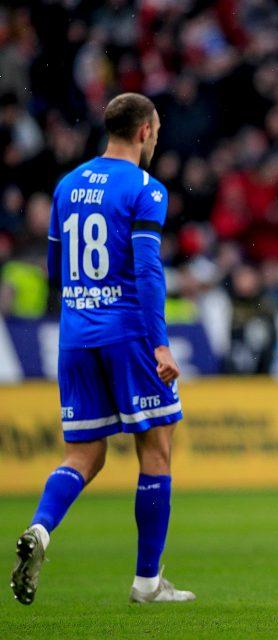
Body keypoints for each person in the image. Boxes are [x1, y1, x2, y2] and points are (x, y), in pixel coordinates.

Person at [10, 93, 193, 605]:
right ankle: (147, 583)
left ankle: (41, 529)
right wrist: (160, 343)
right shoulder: (145, 189)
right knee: (155, 449)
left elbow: (54, 270)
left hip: (75, 335)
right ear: (144, 131)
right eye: (156, 131)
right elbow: (148, 270)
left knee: (84, 455)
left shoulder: (67, 186)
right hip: (129, 334)